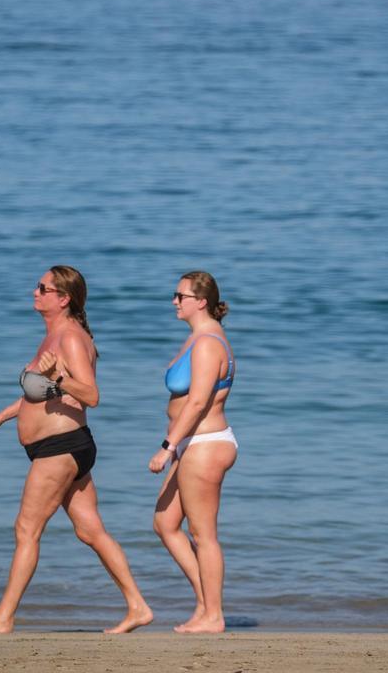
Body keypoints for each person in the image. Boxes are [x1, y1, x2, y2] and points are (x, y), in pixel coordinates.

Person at [0, 266, 152, 634]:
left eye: (43, 288)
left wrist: (60, 377)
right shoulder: (53, 337)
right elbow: (41, 394)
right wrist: (1, 416)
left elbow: (91, 395)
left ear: (63, 299)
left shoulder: (70, 338)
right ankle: (138, 606)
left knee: (26, 530)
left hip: (60, 448)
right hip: (64, 447)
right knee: (90, 530)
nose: (35, 292)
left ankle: (3, 617)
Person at [149, 270, 238, 634]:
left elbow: (199, 399)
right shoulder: (198, 338)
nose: (174, 301)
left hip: (205, 443)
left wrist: (167, 446)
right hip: (192, 443)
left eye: (180, 296)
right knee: (165, 523)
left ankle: (213, 615)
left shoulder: (208, 343)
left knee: (203, 534)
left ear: (200, 302)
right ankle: (205, 603)